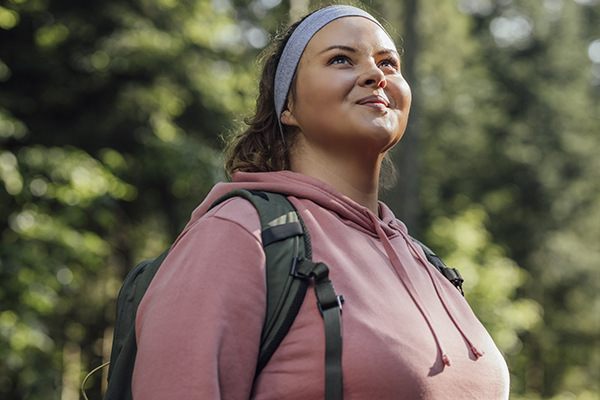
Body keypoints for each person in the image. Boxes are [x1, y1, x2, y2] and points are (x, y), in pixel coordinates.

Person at [132, 5, 510, 399]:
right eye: (341, 59)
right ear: (287, 107)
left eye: (388, 63)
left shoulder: (427, 263)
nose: (375, 75)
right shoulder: (241, 235)